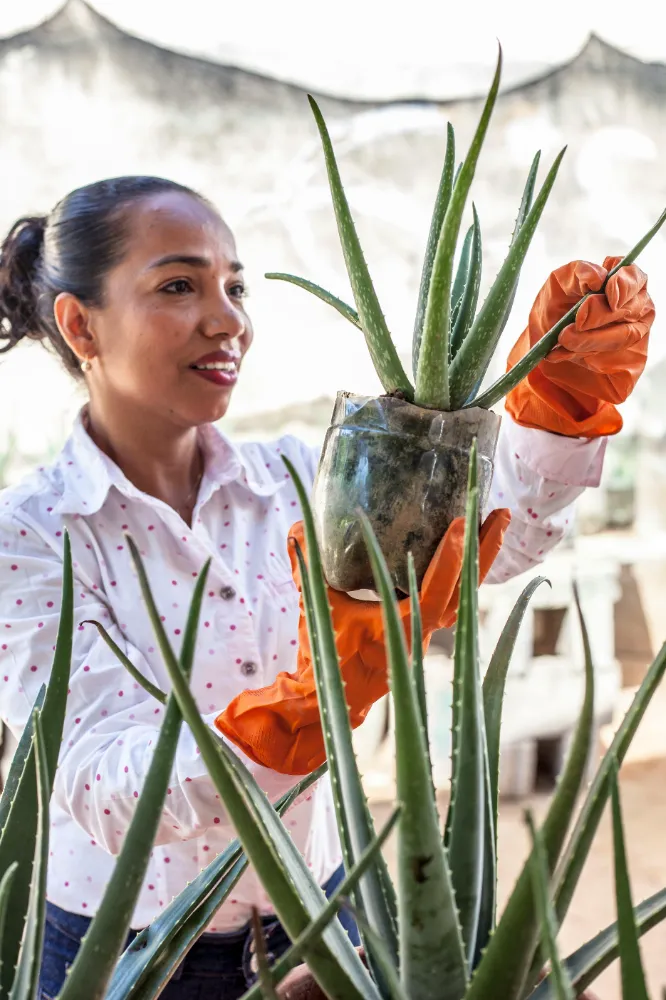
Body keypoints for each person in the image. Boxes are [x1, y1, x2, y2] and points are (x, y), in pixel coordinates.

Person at [0, 176, 652, 1000]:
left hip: (324, 926)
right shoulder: (27, 534)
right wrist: (304, 710)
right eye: (179, 285)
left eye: (234, 286)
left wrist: (558, 407)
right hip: (130, 957)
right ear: (79, 323)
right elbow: (103, 788)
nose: (229, 318)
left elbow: (494, 539)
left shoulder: (299, 475)